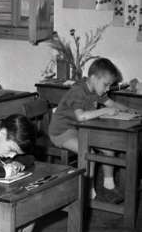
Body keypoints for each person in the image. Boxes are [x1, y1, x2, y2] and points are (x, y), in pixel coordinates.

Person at [49, 57, 136, 202]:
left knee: (109, 147)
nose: (107, 89)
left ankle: (108, 185)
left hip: (80, 130)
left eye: (109, 86)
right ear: (94, 78)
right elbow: (81, 116)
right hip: (61, 132)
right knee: (89, 153)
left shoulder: (97, 90)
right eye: (106, 85)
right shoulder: (78, 91)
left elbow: (112, 104)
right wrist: (104, 111)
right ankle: (87, 190)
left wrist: (131, 111)